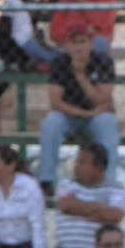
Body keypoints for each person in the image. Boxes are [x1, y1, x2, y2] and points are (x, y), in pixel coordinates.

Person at [38, 24, 118, 192]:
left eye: (83, 41)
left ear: (90, 43)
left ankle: (108, 180)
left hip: (96, 117)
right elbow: (55, 102)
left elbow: (103, 99)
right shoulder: (60, 62)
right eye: (73, 42)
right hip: (69, 116)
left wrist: (81, 75)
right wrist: (85, 112)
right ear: (66, 45)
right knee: (51, 121)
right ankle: (46, 180)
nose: (79, 47)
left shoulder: (103, 61)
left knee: (107, 121)